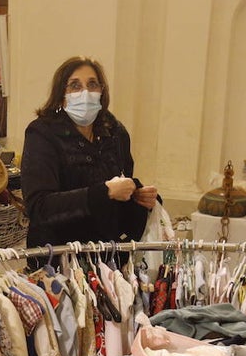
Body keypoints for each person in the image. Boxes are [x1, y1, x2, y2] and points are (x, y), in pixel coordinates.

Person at [21, 56, 156, 247]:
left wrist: (138, 197)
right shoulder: (42, 134)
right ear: (61, 96)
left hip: (105, 254)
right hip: (57, 253)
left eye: (92, 84)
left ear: (101, 91)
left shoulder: (115, 132)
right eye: (75, 86)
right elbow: (39, 206)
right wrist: (104, 192)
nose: (85, 92)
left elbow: (120, 192)